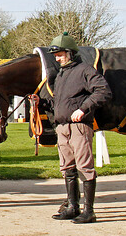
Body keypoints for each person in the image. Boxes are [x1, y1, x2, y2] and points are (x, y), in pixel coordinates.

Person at [48, 32, 112, 224]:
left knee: (84, 167)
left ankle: (89, 211)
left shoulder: (85, 70)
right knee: (67, 168)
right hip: (62, 128)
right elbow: (59, 103)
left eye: (59, 54)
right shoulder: (60, 75)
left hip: (79, 127)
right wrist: (41, 104)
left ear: (69, 52)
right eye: (55, 55)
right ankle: (72, 207)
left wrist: (83, 109)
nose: (57, 58)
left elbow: (103, 91)